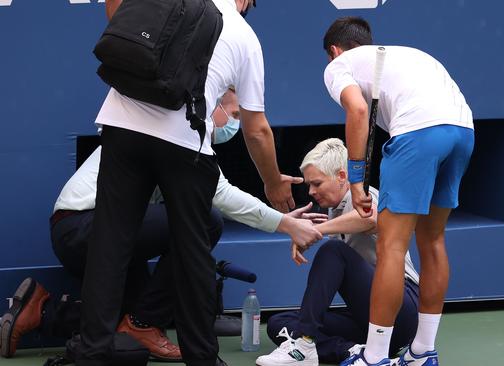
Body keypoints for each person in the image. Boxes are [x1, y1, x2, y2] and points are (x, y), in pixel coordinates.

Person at [0, 104, 323, 361]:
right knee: (205, 219)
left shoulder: (180, 132)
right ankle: (143, 325)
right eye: (235, 115)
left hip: (94, 232)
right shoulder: (182, 135)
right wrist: (287, 224)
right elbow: (221, 196)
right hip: (83, 226)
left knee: (124, 318)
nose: (233, 125)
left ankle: (40, 312)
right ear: (213, 105)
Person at [79, 0, 295, 364]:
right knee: (193, 255)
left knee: (108, 246)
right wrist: (273, 185)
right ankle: (202, 359)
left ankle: (92, 354)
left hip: (121, 127)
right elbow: (256, 130)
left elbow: (118, 17)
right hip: (183, 143)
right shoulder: (244, 35)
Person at [321, 17, 474, 366]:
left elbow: (357, 110)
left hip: (418, 133)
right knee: (432, 240)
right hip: (464, 131)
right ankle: (422, 352)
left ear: (334, 51)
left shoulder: (338, 66)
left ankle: (373, 357)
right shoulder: (407, 56)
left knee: (392, 245)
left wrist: (357, 179)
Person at [255, 138, 420, 366]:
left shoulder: (361, 194)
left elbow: (370, 217)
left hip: (403, 309)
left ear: (342, 176)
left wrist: (314, 231)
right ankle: (350, 352)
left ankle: (304, 345)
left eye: (317, 183)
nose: (311, 191)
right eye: (309, 186)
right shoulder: (336, 210)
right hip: (369, 320)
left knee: (333, 251)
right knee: (280, 323)